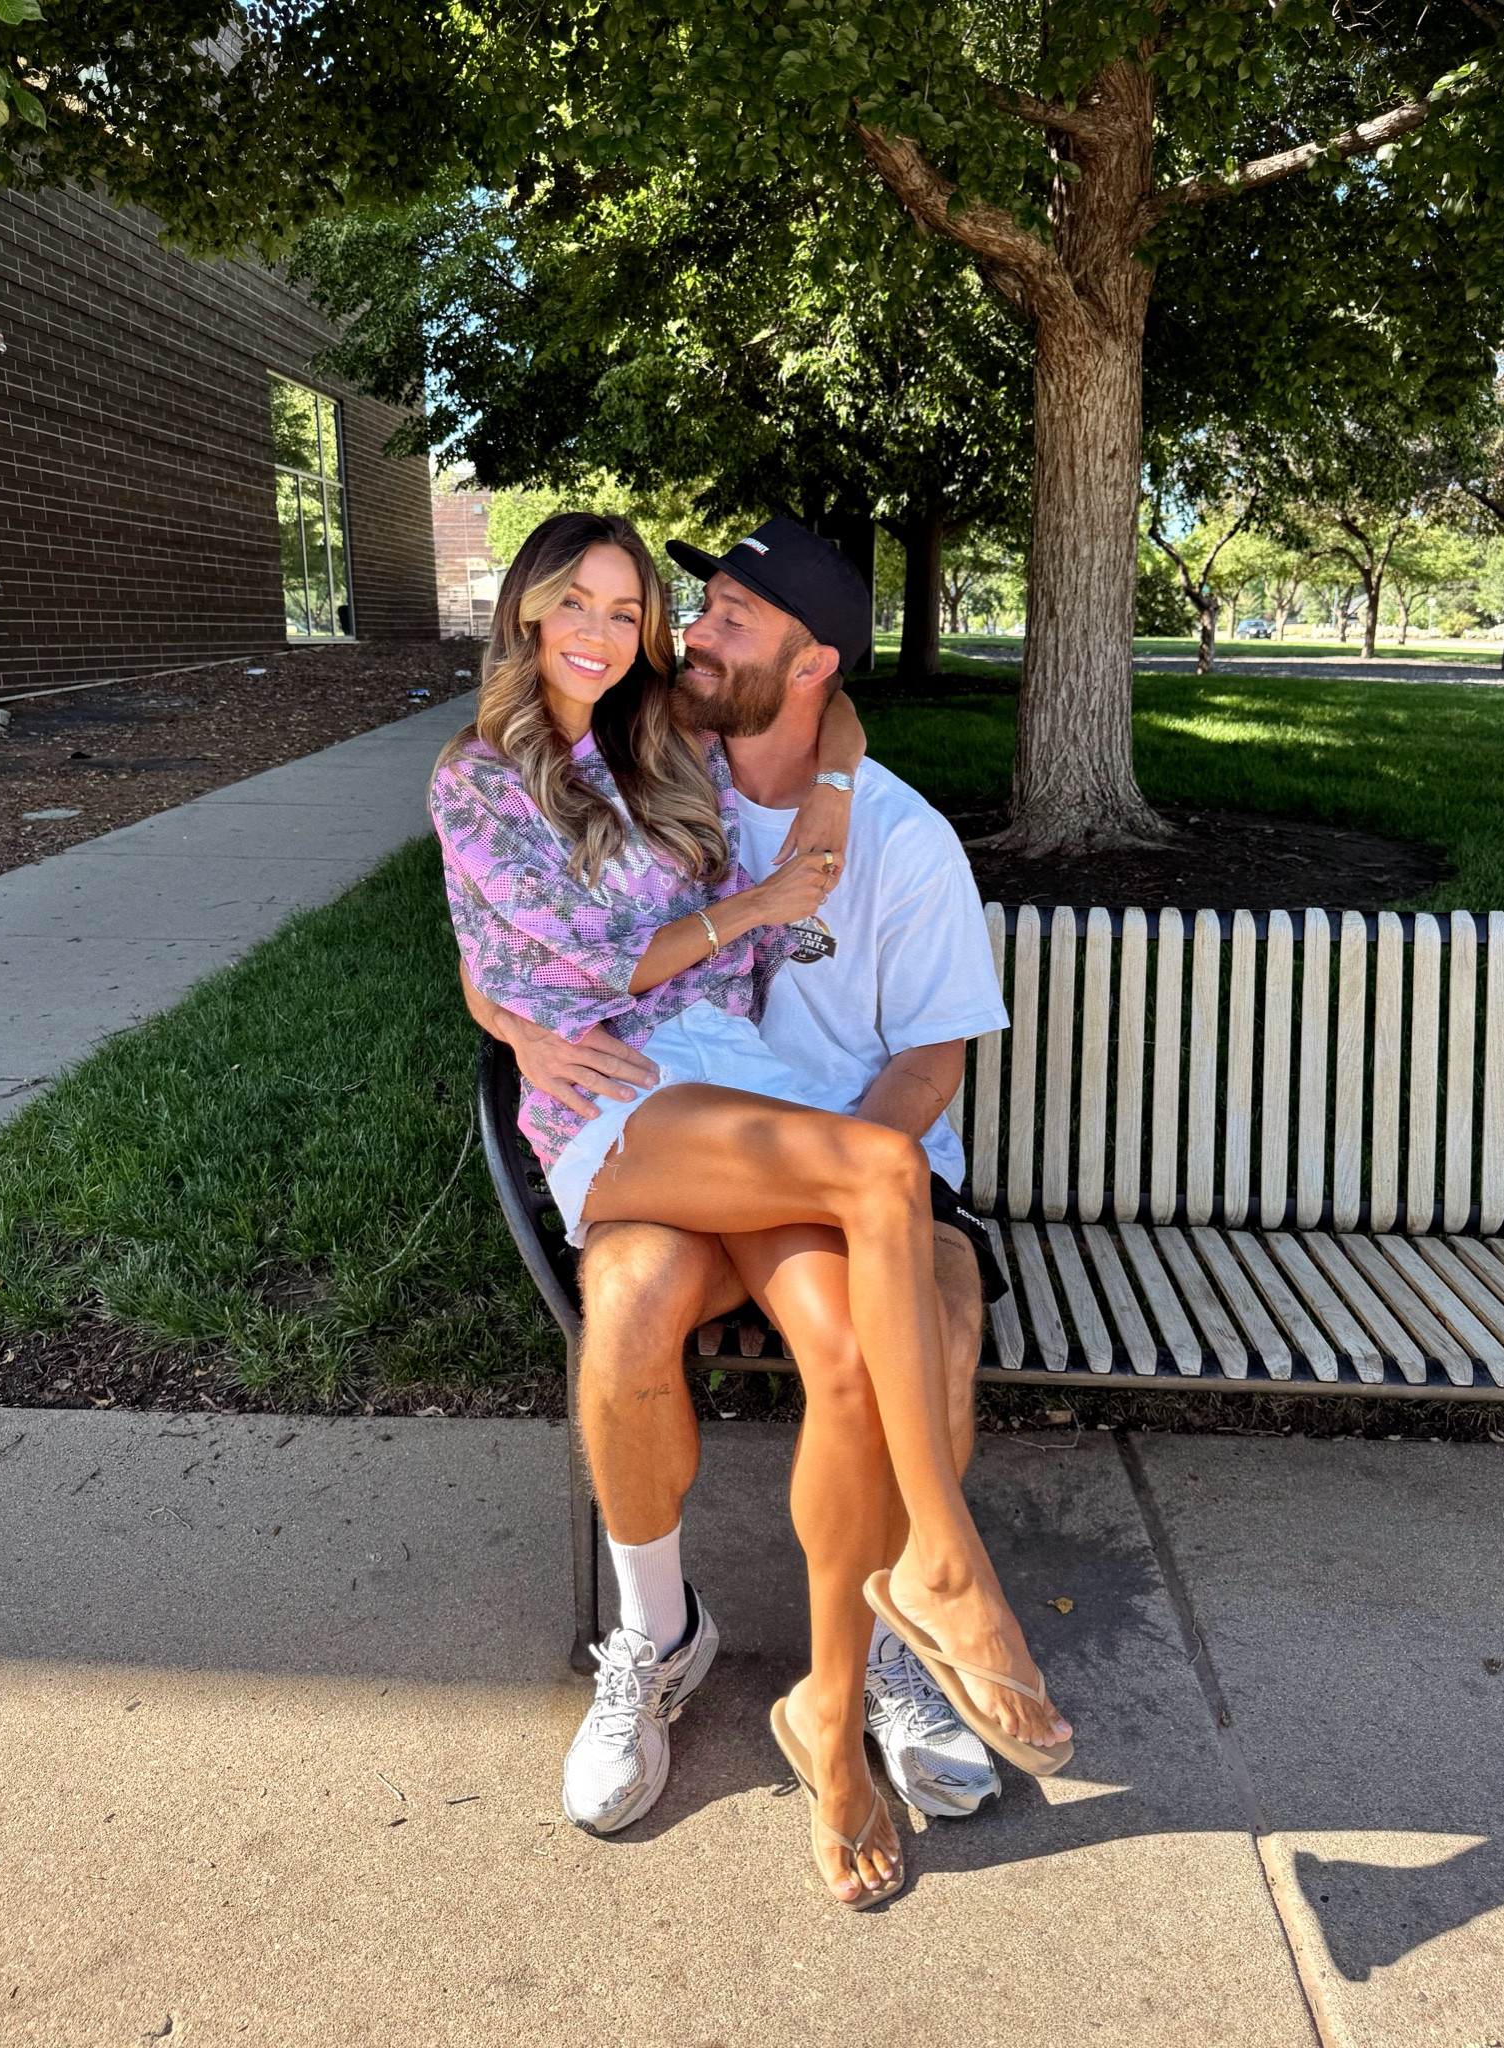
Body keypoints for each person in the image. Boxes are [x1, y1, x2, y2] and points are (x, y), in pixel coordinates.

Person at [431, 510, 1073, 1909]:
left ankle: (850, 1694)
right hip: (651, 1108)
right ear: (528, 612)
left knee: (861, 1338)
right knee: (635, 1309)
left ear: (813, 662)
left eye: (685, 615)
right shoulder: (627, 737)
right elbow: (506, 946)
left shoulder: (831, 806)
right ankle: (679, 1632)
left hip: (771, 1115)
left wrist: (830, 802)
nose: (672, 635)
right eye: (680, 608)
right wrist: (518, 1023)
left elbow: (929, 1057)